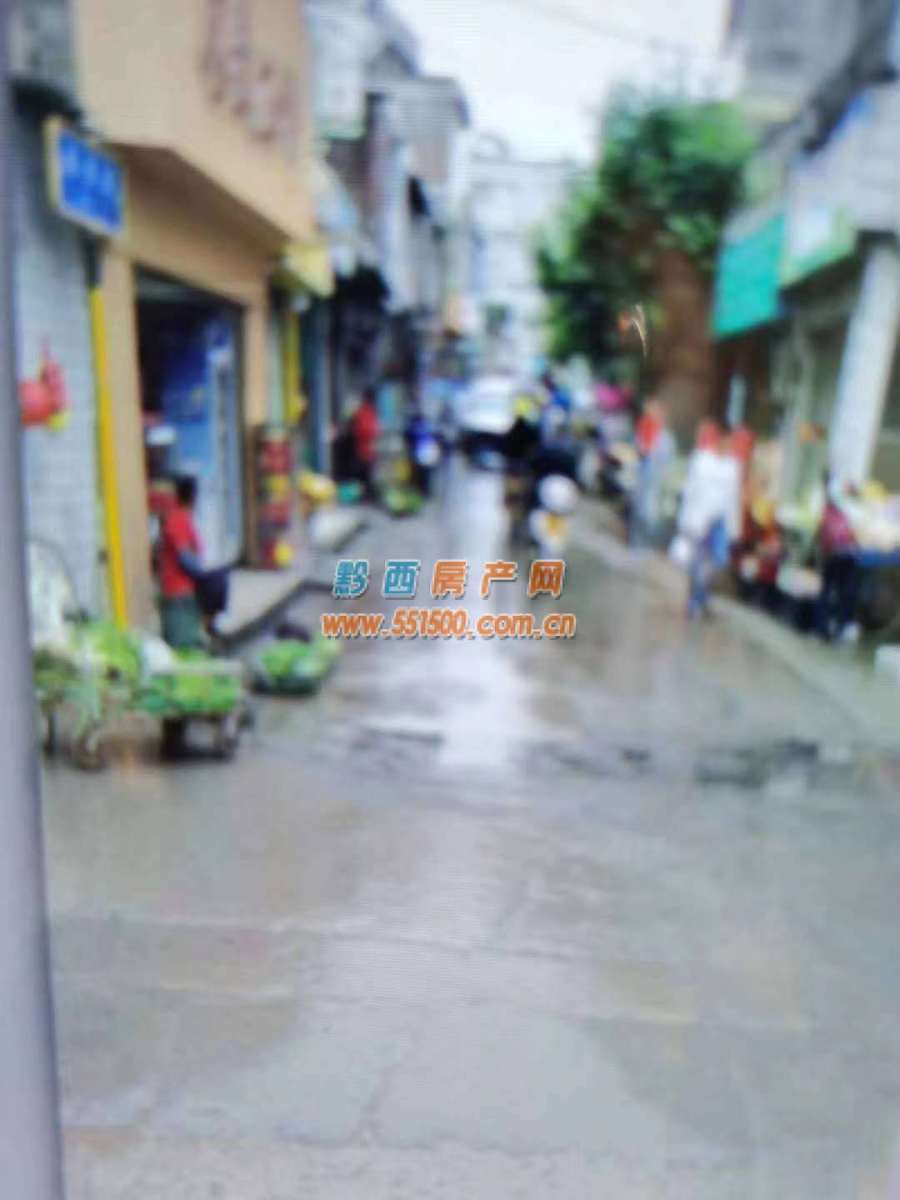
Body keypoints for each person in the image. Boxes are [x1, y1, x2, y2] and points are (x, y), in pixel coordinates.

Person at [677, 428, 742, 619]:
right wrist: (686, 518)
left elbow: (733, 498)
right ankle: (695, 600)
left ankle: (702, 597)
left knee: (716, 562)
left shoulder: (732, 467)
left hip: (719, 522)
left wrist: (734, 527)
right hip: (700, 517)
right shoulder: (702, 460)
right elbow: (690, 490)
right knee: (697, 562)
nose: (728, 446)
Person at [158, 473, 206, 649]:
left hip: (183, 592)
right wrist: (204, 578)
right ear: (193, 497)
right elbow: (185, 558)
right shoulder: (178, 520)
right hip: (178, 593)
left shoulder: (182, 518)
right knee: (183, 645)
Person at [815, 473, 860, 642]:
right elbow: (855, 533)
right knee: (843, 593)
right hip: (845, 554)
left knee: (827, 591)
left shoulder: (831, 505)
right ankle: (837, 629)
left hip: (833, 553)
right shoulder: (851, 506)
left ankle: (823, 629)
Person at [630, 398, 676, 547]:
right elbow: (640, 448)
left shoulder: (665, 437)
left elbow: (666, 458)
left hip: (655, 475)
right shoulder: (645, 428)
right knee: (640, 507)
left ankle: (643, 542)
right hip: (644, 472)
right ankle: (636, 543)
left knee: (648, 509)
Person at [351, 388, 380, 498]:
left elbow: (364, 430)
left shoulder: (366, 411)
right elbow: (366, 430)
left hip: (366, 450)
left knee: (365, 475)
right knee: (364, 475)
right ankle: (365, 495)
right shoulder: (366, 412)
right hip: (364, 450)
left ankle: (365, 494)